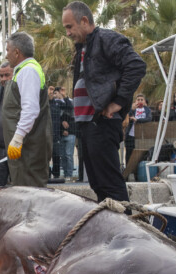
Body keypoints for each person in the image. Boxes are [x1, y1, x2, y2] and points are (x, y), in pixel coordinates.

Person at [63, 2, 146, 202]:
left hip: (102, 123)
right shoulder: (83, 47)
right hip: (87, 125)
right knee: (98, 184)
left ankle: (124, 230)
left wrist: (117, 102)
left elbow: (136, 66)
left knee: (110, 184)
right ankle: (110, 228)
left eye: (69, 26)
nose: (67, 33)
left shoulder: (106, 39)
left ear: (84, 21)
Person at [2, 31, 52, 187]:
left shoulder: (28, 71)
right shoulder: (23, 70)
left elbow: (30, 109)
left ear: (17, 52)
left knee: (31, 192)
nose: (6, 55)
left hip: (29, 149)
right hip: (25, 150)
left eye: (8, 50)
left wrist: (17, 138)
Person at [124, 94, 152, 166]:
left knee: (142, 154)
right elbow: (126, 117)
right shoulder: (132, 109)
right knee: (129, 153)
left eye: (141, 100)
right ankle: (128, 169)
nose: (140, 101)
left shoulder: (147, 110)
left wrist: (137, 120)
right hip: (131, 134)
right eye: (138, 99)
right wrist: (131, 110)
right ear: (135, 101)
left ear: (144, 101)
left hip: (142, 135)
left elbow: (149, 119)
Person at [49, 86, 69, 178]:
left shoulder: (57, 103)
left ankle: (56, 175)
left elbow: (69, 107)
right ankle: (47, 175)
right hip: (45, 136)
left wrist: (64, 96)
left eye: (52, 91)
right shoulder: (43, 104)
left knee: (56, 157)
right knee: (45, 157)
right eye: (49, 90)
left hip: (56, 135)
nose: (51, 92)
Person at [61, 94, 77, 180]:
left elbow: (75, 124)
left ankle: (69, 174)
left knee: (68, 155)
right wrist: (62, 130)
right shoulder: (59, 109)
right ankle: (65, 172)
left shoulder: (72, 107)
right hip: (61, 135)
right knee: (63, 156)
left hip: (71, 134)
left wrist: (68, 130)